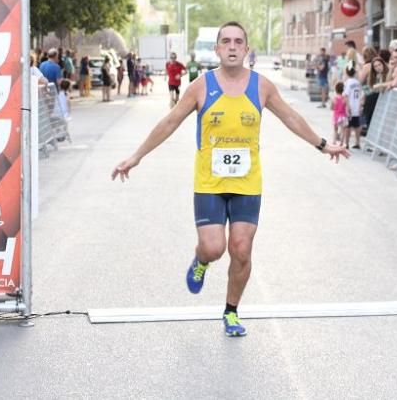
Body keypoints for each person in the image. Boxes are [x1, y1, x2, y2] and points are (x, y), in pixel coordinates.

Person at [112, 22, 349, 337]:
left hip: (247, 183)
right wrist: (137, 156)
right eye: (226, 41)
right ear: (218, 49)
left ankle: (231, 311)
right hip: (209, 182)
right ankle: (200, 260)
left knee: (241, 250)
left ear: (247, 50)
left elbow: (291, 117)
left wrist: (323, 145)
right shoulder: (200, 86)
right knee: (214, 248)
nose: (233, 46)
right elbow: (170, 122)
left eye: (239, 41)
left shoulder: (262, 87)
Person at [343, 64, 364, 149]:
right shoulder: (357, 82)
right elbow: (361, 94)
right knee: (357, 125)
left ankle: (346, 143)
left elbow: (346, 95)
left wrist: (347, 106)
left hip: (350, 107)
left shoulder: (348, 82)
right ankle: (357, 142)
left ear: (347, 72)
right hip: (357, 107)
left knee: (348, 126)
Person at [331, 81, 349, 147]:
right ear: (343, 90)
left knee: (335, 130)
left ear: (336, 89)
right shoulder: (345, 99)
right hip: (343, 116)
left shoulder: (334, 98)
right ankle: (341, 143)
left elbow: (332, 108)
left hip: (336, 116)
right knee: (342, 130)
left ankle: (334, 141)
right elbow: (347, 108)